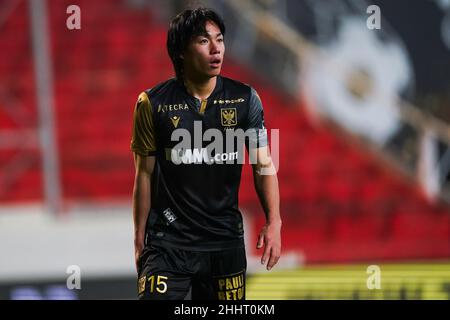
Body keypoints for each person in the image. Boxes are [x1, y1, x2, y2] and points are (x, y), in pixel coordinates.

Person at [130, 7, 281, 300]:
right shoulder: (152, 103)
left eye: (220, 39)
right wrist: (138, 240)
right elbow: (144, 174)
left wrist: (274, 221)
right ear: (181, 51)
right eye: (203, 41)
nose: (216, 49)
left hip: (225, 245)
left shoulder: (246, 99)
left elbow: (263, 165)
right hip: (168, 245)